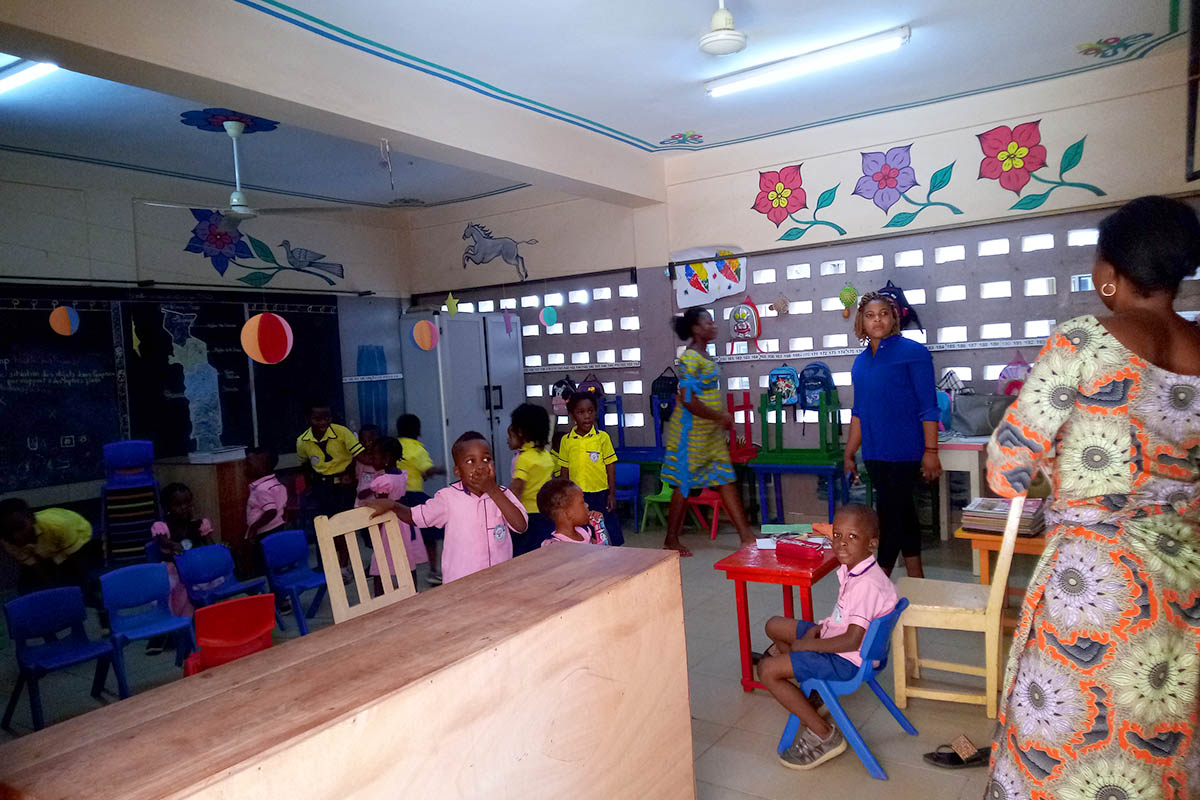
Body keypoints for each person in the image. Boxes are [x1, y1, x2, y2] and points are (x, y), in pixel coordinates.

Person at [984, 196, 1200, 799]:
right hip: (1183, 582)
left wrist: (1048, 470)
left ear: (1109, 274)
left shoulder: (1083, 340)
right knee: (1156, 738)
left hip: (1097, 583)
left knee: (1070, 731)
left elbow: (1009, 465)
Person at [757, 504, 897, 770]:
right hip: (840, 640)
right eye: (837, 535)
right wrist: (819, 629)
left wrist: (810, 645)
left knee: (767, 669)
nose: (842, 544)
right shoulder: (858, 569)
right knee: (774, 625)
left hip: (848, 659)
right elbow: (844, 618)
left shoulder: (865, 584)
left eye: (852, 537)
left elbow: (853, 639)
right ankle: (811, 691)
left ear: (872, 543)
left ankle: (824, 734)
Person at [844, 292, 941, 577]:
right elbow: (859, 413)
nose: (878, 320)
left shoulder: (914, 353)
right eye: (871, 315)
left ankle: (876, 583)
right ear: (861, 321)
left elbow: (929, 407)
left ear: (894, 317)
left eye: (884, 313)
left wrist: (931, 452)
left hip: (905, 452)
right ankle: (917, 579)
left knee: (889, 520)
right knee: (904, 516)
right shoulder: (860, 363)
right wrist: (849, 453)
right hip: (875, 455)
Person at [366, 431, 528, 584]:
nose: (480, 467)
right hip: (461, 584)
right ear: (457, 471)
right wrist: (393, 505)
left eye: (486, 459)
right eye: (470, 461)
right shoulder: (447, 498)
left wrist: (493, 490)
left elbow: (520, 526)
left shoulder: (503, 494)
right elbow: (416, 516)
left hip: (500, 580)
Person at [661, 308, 757, 555]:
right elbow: (689, 400)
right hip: (689, 435)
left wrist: (718, 420)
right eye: (708, 322)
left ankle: (746, 536)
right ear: (696, 328)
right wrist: (720, 416)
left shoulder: (705, 355)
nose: (714, 326)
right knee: (683, 485)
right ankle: (671, 538)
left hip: (709, 434)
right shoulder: (690, 359)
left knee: (725, 479)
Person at [297, 401, 363, 577]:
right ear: (309, 419)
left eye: (326, 418)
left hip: (344, 484)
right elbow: (305, 465)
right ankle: (331, 564)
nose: (322, 422)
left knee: (344, 523)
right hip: (322, 485)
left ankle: (344, 565)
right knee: (327, 525)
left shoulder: (342, 433)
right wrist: (309, 485)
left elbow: (357, 456)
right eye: (317, 419)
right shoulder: (302, 441)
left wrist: (350, 474)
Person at [361, 437, 427, 593]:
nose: (372, 460)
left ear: (386, 458)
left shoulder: (384, 480)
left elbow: (382, 506)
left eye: (374, 456)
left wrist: (376, 528)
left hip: (390, 525)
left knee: (381, 561)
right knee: (407, 559)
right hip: (403, 522)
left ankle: (379, 596)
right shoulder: (400, 475)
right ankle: (413, 590)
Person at [557, 394, 624, 545]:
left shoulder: (602, 438)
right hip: (577, 495)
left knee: (607, 528)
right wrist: (564, 496)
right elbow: (564, 471)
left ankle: (614, 557)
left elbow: (610, 466)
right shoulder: (566, 441)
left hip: (601, 492)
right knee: (582, 529)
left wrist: (612, 494)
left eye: (590, 411)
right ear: (572, 415)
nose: (587, 416)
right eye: (581, 412)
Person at [0, 498, 96, 594]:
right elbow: (34, 565)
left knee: (76, 576)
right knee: (26, 586)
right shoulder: (7, 541)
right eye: (7, 533)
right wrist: (50, 587)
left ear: (32, 519)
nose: (16, 536)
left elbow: (76, 560)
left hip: (76, 533)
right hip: (47, 546)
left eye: (20, 527)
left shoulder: (58, 526)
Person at [151, 482, 214, 624]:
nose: (184, 508)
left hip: (195, 567)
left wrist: (217, 549)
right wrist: (172, 544)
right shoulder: (162, 526)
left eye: (187, 503)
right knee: (175, 587)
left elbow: (210, 545)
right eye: (178, 505)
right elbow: (163, 542)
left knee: (208, 581)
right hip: (173, 570)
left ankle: (203, 617)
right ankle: (179, 621)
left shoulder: (199, 524)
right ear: (168, 507)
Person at [396, 413, 446, 582]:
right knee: (430, 532)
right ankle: (434, 570)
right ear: (418, 430)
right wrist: (441, 469)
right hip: (414, 496)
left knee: (400, 535)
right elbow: (427, 470)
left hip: (396, 498)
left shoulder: (394, 445)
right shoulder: (417, 449)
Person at [508, 402, 556, 555]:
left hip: (527, 516)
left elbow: (517, 487)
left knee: (523, 554)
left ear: (520, 432)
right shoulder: (546, 456)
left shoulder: (523, 459)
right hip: (546, 514)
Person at [536, 477, 610, 545]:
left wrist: (599, 527)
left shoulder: (584, 532)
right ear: (567, 513)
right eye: (582, 502)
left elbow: (604, 551)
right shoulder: (555, 545)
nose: (587, 505)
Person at [245, 447, 288, 541]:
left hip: (265, 532)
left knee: (262, 554)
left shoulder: (261, 489)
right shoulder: (277, 484)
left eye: (249, 465)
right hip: (279, 527)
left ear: (263, 469)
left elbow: (271, 511)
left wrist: (254, 527)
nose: (245, 468)